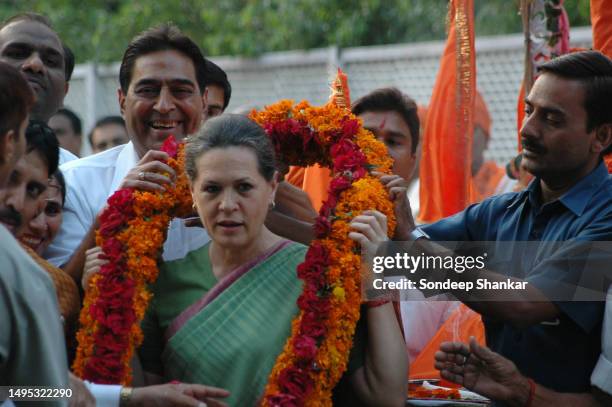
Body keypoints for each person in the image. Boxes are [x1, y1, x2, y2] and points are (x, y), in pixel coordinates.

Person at [133, 114, 407, 406]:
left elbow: (387, 396)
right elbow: (144, 394)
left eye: (244, 187)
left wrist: (376, 274)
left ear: (272, 187)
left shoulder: (322, 275)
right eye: (212, 189)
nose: (227, 205)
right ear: (192, 192)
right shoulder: (165, 282)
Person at [385, 50, 612, 393]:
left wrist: (411, 240)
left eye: (552, 119)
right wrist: (276, 214)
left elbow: (524, 302)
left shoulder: (606, 218)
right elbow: (384, 253)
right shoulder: (499, 212)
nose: (527, 130)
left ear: (602, 137)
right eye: (528, 111)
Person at [45, 23, 210, 283]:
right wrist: (111, 214)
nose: (164, 106)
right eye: (148, 91)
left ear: (203, 102)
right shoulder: (76, 185)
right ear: (123, 102)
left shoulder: (238, 189)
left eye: (180, 91)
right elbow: (56, 298)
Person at [0, 12, 78, 164]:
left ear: (64, 91)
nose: (35, 65)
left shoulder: (78, 177)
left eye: (50, 61)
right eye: (17, 54)